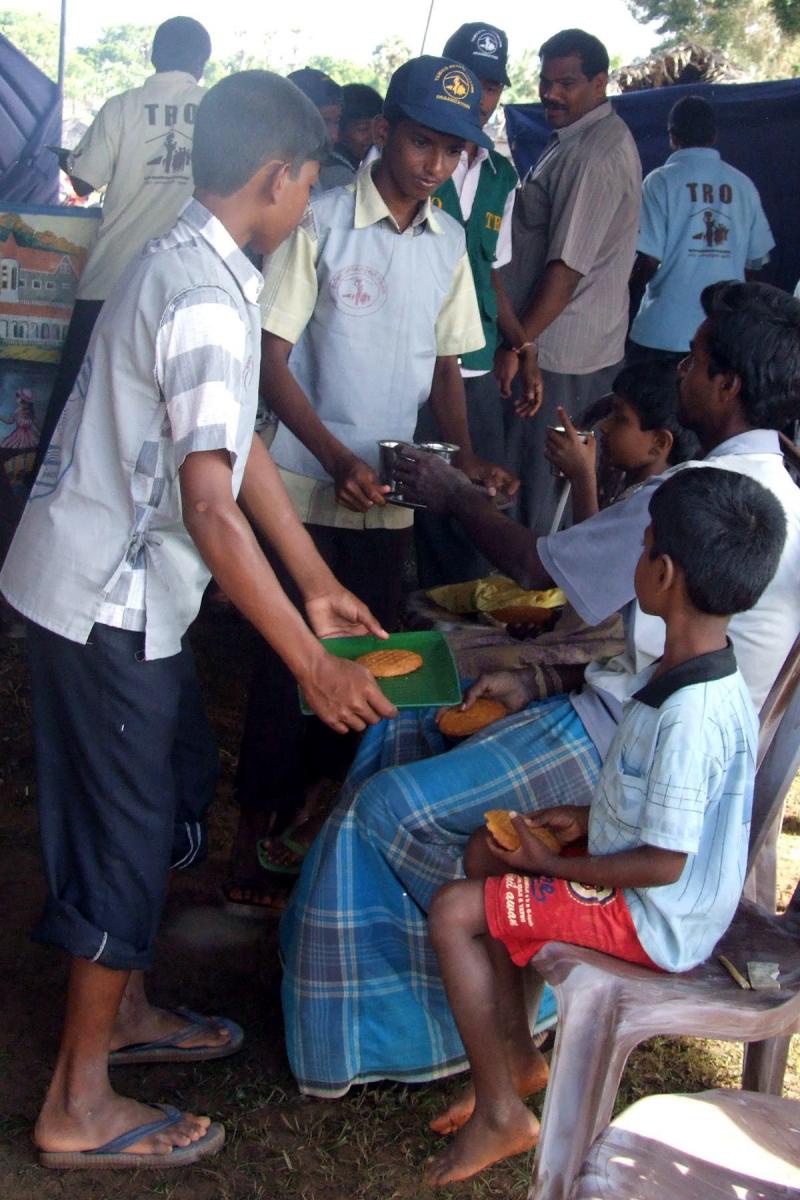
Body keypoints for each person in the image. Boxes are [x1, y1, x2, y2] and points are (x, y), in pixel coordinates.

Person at [0, 70, 397, 1170]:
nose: (309, 198)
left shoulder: (190, 262)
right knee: (125, 836)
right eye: (308, 181)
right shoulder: (208, 300)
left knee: (169, 783)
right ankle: (77, 1104)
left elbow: (234, 438)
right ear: (277, 177)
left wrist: (313, 580)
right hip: (107, 603)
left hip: (116, 596)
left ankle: (124, 1012)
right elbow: (212, 507)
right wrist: (310, 662)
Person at [278, 280, 800, 1099]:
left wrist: (452, 494)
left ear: (727, 385)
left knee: (385, 809)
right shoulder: (771, 488)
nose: (682, 371)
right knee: (402, 729)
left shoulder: (706, 498)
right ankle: (453, 995)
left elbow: (540, 568)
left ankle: (406, 1030)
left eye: (696, 362)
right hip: (621, 726)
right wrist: (544, 675)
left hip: (624, 752)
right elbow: (636, 648)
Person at [424, 466, 787, 1186]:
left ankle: (500, 1112)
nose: (637, 557)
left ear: (663, 572)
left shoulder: (690, 715)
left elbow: (663, 863)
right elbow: (674, 815)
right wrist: (588, 818)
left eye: (643, 545)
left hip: (657, 917)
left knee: (453, 911)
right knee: (488, 850)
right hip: (656, 880)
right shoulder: (698, 668)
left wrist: (555, 866)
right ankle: (517, 1053)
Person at [227, 54, 517, 912]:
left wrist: (463, 459)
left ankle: (309, 840)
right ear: (384, 131)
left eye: (452, 151)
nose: (435, 164)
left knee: (366, 667)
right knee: (286, 671)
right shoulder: (320, 220)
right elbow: (271, 360)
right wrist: (333, 456)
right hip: (301, 490)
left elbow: (446, 366)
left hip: (389, 500)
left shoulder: (449, 244)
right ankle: (248, 844)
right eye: (423, 142)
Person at [34, 16, 212, 474]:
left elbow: (84, 181)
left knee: (73, 403)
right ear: (203, 63)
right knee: (162, 414)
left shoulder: (122, 107)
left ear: (153, 56)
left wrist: (71, 161)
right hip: (183, 286)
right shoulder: (215, 112)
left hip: (110, 278)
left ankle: (47, 490)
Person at [498, 28, 641, 536]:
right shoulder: (571, 140)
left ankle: (528, 581)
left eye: (567, 83)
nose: (551, 93)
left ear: (600, 82)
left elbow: (566, 271)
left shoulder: (594, 155)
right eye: (545, 81)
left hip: (561, 354)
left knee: (536, 492)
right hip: (550, 344)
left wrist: (519, 344)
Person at [414, 21, 536, 586]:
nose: (479, 98)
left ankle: (463, 613)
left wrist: (522, 344)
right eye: (466, 80)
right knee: (422, 503)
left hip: (477, 360)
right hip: (417, 362)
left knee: (477, 496)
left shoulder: (501, 174)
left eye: (491, 86)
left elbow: (490, 271)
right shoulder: (409, 161)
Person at [629, 96, 774, 362]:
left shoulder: (660, 181)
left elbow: (648, 259)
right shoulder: (743, 185)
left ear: (672, 137)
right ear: (713, 135)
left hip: (662, 333)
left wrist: (625, 299)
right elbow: (755, 264)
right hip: (721, 335)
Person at [543, 358, 700, 522]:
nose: (604, 425)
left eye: (620, 419)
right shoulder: (634, 486)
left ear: (659, 443)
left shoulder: (652, 508)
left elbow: (591, 538)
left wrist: (582, 477)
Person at [318, 82, 383, 190]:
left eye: (378, 129)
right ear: (339, 129)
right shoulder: (339, 176)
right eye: (363, 129)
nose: (373, 137)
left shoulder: (352, 168)